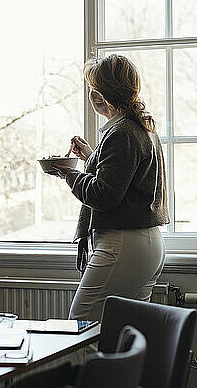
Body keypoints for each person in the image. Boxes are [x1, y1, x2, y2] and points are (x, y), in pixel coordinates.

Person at [50, 54, 170, 321]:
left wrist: (69, 174)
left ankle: (92, 367)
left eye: (94, 87)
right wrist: (91, 156)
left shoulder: (121, 133)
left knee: (82, 321)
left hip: (123, 242)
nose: (91, 94)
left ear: (105, 93)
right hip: (146, 243)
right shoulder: (139, 127)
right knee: (127, 327)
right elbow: (121, 177)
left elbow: (104, 195)